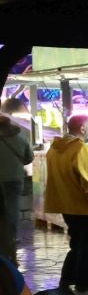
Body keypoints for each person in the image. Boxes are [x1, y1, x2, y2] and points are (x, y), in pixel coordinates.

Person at [46, 115, 88, 290]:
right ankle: (83, 285)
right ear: (82, 128)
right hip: (84, 207)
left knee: (76, 244)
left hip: (66, 206)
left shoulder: (55, 149)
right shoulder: (81, 149)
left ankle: (67, 280)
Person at [1, 97, 37, 254]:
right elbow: (29, 158)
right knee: (13, 209)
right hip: (15, 179)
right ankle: (10, 237)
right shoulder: (20, 137)